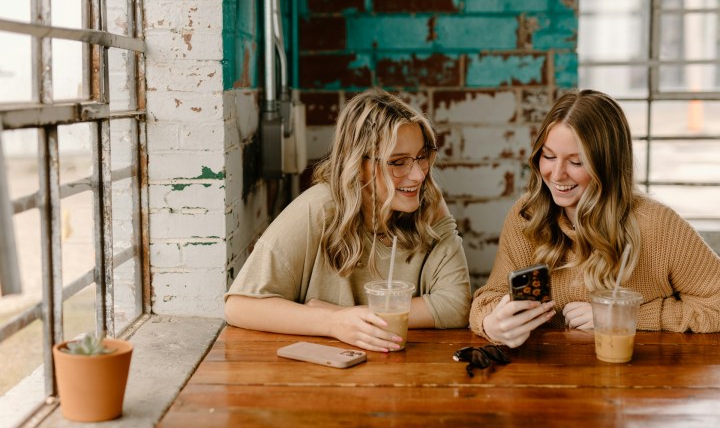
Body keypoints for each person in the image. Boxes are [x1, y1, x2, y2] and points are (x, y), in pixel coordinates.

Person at [225, 87, 471, 352]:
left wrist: (349, 316)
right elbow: (239, 306)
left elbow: (457, 304)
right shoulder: (318, 208)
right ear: (358, 165)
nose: (418, 176)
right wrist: (332, 323)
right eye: (398, 162)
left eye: (422, 157)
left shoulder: (428, 203)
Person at [470, 89, 720, 348]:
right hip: (546, 379)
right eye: (549, 156)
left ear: (607, 166)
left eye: (576, 162)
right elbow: (489, 298)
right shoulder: (527, 216)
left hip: (638, 378)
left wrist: (623, 316)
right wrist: (491, 322)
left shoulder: (657, 224)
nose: (556, 175)